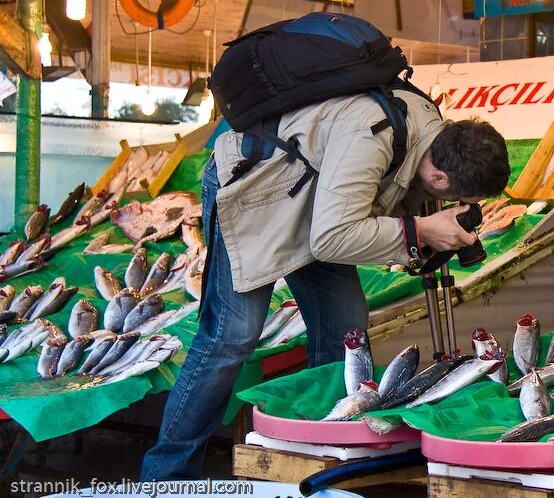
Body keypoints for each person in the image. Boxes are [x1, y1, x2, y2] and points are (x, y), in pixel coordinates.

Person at [140, 88, 511, 480]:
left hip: (317, 199)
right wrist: (418, 230)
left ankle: (320, 454)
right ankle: (166, 476)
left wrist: (427, 235)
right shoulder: (372, 134)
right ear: (438, 174)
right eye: (460, 198)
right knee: (232, 335)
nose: (461, 208)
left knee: (345, 326)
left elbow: (342, 220)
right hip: (254, 188)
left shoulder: (434, 137)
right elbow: (331, 238)